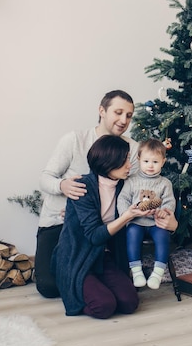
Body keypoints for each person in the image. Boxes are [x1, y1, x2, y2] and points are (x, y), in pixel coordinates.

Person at [50, 135, 178, 319]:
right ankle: (76, 288)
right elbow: (94, 236)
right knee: (103, 307)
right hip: (77, 256)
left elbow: (157, 209)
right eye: (124, 160)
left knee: (129, 303)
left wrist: (166, 219)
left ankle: (97, 286)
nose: (130, 165)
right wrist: (128, 215)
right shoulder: (82, 187)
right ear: (109, 162)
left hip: (104, 257)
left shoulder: (125, 186)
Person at [35, 90, 139, 298]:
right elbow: (45, 178)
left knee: (121, 289)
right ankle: (83, 274)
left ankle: (91, 276)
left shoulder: (132, 148)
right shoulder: (74, 140)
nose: (123, 120)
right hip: (60, 224)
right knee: (49, 287)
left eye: (128, 115)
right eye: (118, 112)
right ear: (102, 110)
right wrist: (62, 186)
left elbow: (132, 189)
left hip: (100, 227)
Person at [117, 138, 176, 290]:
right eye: (146, 161)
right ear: (139, 160)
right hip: (136, 221)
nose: (150, 165)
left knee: (163, 236)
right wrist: (126, 213)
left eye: (155, 162)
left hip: (155, 222)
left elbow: (170, 201)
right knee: (132, 234)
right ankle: (136, 271)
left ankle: (157, 272)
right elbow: (123, 198)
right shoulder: (131, 181)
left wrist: (164, 211)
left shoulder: (165, 183)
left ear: (163, 161)